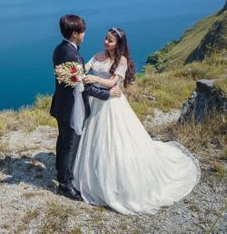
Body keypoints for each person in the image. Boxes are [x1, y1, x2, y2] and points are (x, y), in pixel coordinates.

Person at [72, 27, 200, 214]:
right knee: (93, 138)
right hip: (95, 101)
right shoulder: (98, 55)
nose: (106, 42)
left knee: (116, 139)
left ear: (119, 44)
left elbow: (112, 83)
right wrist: (79, 72)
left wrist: (93, 79)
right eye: (105, 39)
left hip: (111, 103)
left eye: (110, 40)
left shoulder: (121, 60)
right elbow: (86, 68)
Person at [50, 15, 122, 200]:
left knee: (63, 139)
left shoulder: (59, 49)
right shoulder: (74, 56)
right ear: (75, 34)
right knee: (70, 144)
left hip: (61, 104)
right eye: (83, 31)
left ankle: (60, 169)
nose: (84, 34)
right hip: (72, 108)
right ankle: (65, 184)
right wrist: (107, 94)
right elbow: (83, 86)